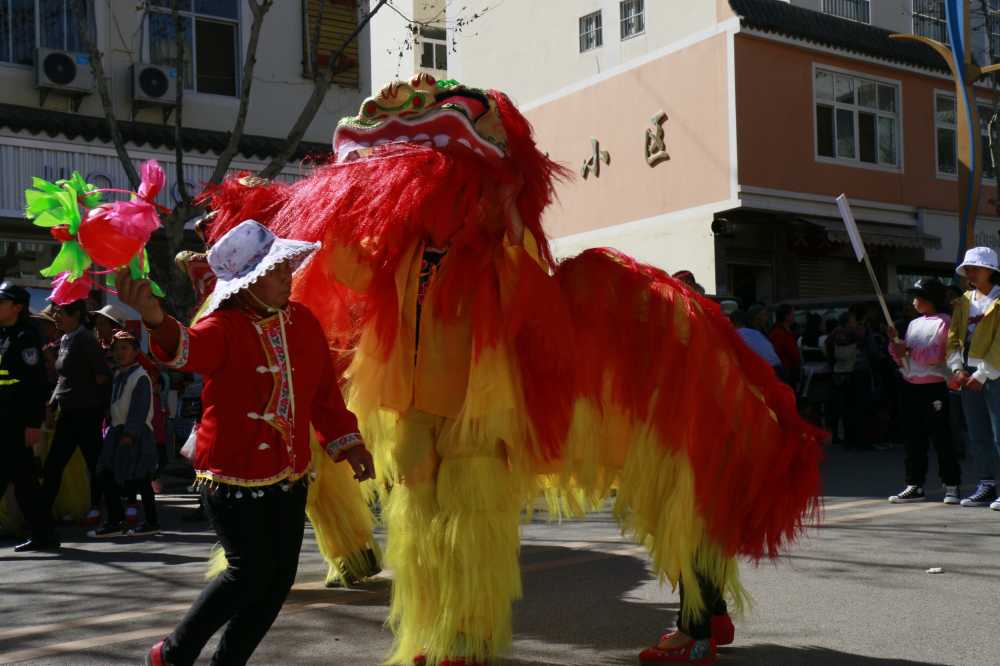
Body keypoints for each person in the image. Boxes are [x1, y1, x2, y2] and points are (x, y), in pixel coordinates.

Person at [117, 220, 375, 666]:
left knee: (277, 580)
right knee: (247, 573)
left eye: (284, 267)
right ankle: (173, 654)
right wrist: (156, 319)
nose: (286, 276)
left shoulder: (304, 322)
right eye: (274, 271)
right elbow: (187, 351)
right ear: (247, 282)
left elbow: (324, 396)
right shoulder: (225, 326)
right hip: (231, 474)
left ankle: (228, 661)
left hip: (290, 472)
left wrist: (348, 444)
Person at [886, 279, 961, 504]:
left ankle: (951, 484)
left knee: (941, 437)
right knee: (913, 438)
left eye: (920, 296)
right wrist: (895, 344)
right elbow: (902, 357)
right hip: (911, 385)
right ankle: (914, 484)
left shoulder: (945, 322)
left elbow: (937, 354)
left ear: (933, 299)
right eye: (914, 296)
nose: (915, 300)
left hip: (935, 385)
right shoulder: (913, 324)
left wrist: (907, 349)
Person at [0, 282, 59, 552]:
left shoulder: (26, 337)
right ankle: (44, 535)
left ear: (17, 307)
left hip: (16, 420)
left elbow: (34, 384)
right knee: (24, 483)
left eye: (3, 302)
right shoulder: (3, 334)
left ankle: (44, 534)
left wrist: (33, 423)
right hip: (3, 418)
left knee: (23, 482)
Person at [43, 299, 111, 527]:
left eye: (60, 313)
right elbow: (63, 379)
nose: (56, 317)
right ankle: (42, 519)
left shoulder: (85, 340)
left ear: (75, 316)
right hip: (68, 413)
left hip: (86, 413)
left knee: (96, 466)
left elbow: (102, 375)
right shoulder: (64, 339)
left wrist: (86, 395)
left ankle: (108, 512)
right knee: (53, 465)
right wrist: (52, 406)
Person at [90, 331, 160, 537]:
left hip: (135, 433)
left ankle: (151, 522)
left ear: (136, 351)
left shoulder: (140, 377)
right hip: (117, 430)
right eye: (116, 348)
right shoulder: (120, 374)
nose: (119, 353)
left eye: (125, 348)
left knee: (141, 478)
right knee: (105, 473)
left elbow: (139, 409)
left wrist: (129, 435)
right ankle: (115, 520)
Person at [947, 247, 1000, 511]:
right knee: (977, 433)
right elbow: (954, 337)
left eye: (975, 267)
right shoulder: (963, 301)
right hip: (968, 374)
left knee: (998, 432)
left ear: (990, 270)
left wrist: (982, 373)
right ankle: (986, 482)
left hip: (994, 373)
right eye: (968, 268)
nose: (970, 272)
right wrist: (957, 368)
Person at [770, 304, 801, 386]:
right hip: (785, 371)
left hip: (789, 370)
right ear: (786, 316)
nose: (794, 316)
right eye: (792, 314)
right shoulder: (779, 334)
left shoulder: (785, 332)